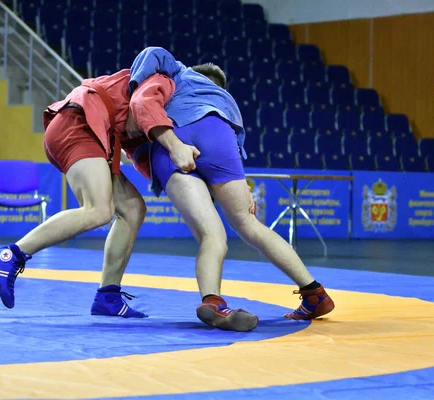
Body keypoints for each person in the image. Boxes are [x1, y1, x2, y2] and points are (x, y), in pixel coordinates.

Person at [118, 47, 335, 331]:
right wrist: (241, 190)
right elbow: (230, 149)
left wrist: (135, 89)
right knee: (249, 224)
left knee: (211, 235)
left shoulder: (179, 73)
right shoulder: (226, 102)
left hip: (173, 133)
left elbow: (153, 53)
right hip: (219, 135)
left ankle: (213, 301)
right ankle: (314, 293)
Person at [0, 68, 198, 318]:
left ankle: (108, 296)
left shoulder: (166, 109)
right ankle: (11, 254)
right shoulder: (168, 83)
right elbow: (141, 103)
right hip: (79, 123)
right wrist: (175, 145)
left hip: (92, 131)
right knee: (98, 210)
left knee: (133, 209)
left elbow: (138, 152)